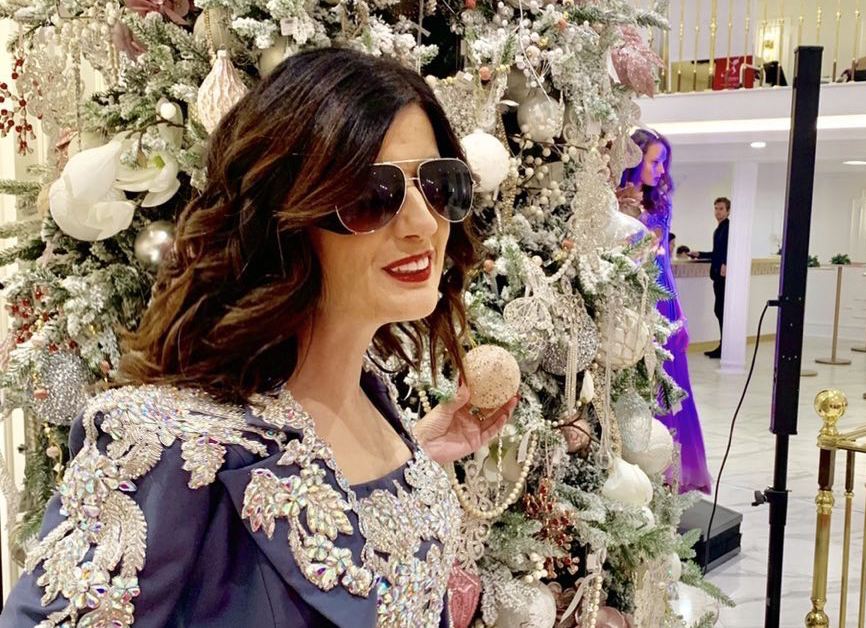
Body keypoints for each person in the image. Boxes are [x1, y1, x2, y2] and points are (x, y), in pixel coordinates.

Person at [0, 48, 519, 628]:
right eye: (373, 195)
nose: (424, 223)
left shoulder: (378, 404)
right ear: (286, 217)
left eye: (439, 184)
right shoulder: (164, 446)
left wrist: (421, 446)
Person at [620, 129, 712, 494]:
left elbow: (664, 265)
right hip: (627, 300)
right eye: (655, 161)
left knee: (670, 384)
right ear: (634, 158)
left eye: (664, 163)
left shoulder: (661, 205)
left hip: (661, 301)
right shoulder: (613, 199)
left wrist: (679, 312)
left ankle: (669, 469)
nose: (661, 170)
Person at [689, 197, 731, 359]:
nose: (718, 212)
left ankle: (725, 347)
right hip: (717, 276)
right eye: (716, 208)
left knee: (722, 311)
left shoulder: (728, 228)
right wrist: (700, 254)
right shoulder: (719, 229)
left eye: (721, 209)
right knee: (719, 310)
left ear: (728, 211)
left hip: (724, 276)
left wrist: (726, 263)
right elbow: (716, 253)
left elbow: (730, 249)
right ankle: (723, 345)